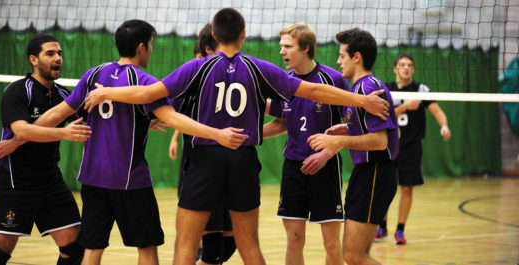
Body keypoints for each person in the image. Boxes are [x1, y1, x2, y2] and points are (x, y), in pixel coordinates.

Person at [82, 8, 391, 265]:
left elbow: (147, 93)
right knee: (249, 247)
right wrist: (361, 100)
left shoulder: (198, 67)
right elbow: (312, 89)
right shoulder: (260, 68)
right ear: (244, 34)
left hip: (205, 159)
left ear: (214, 36)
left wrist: (108, 90)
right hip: (243, 158)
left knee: (186, 247)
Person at [0, 20, 248, 265]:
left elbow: (55, 115)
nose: (151, 51)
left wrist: (16, 140)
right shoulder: (145, 82)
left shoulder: (93, 75)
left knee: (91, 248)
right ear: (141, 47)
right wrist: (218, 134)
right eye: (151, 46)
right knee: (146, 247)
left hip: (92, 179)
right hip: (129, 179)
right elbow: (175, 119)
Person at [0, 34, 89, 265]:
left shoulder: (64, 95)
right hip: (16, 180)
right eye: (50, 53)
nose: (57, 58)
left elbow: (95, 123)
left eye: (59, 53)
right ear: (33, 60)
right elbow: (24, 131)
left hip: (50, 179)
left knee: (74, 248)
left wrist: (146, 120)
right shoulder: (17, 91)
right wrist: (64, 133)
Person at [307, 28, 400, 265]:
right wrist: (349, 129)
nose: (338, 61)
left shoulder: (368, 88)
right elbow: (381, 131)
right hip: (366, 173)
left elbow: (381, 141)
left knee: (353, 256)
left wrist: (338, 141)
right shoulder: (359, 90)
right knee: (353, 254)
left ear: (356, 57)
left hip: (376, 172)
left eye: (342, 55)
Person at [262, 23, 347, 265]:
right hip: (294, 168)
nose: (282, 52)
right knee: (294, 238)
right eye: (281, 46)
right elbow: (281, 123)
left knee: (331, 245)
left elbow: (353, 127)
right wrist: (251, 136)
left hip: (326, 168)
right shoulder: (283, 83)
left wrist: (327, 153)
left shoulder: (334, 80)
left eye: (288, 47)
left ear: (306, 48)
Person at [168, 23, 237, 265]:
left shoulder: (239, 75)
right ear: (208, 51)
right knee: (209, 242)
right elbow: (167, 107)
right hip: (200, 167)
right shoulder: (191, 79)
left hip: (232, 170)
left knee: (229, 243)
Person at [374, 53, 451, 245]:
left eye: (409, 65)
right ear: (395, 68)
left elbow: (437, 110)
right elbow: (384, 115)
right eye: (402, 65)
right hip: (389, 145)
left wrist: (444, 125)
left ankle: (400, 230)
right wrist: (406, 107)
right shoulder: (387, 89)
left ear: (413, 69)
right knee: (384, 187)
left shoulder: (420, 89)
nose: (406, 68)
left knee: (407, 188)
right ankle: (381, 226)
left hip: (411, 147)